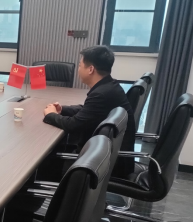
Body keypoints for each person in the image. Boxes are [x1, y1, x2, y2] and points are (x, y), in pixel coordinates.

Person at [43, 45, 135, 177]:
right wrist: (63, 109)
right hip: (106, 153)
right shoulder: (109, 86)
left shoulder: (101, 94)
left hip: (104, 164)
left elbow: (73, 125)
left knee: (47, 158)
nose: (78, 69)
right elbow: (87, 110)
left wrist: (50, 115)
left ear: (90, 69)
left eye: (80, 65)